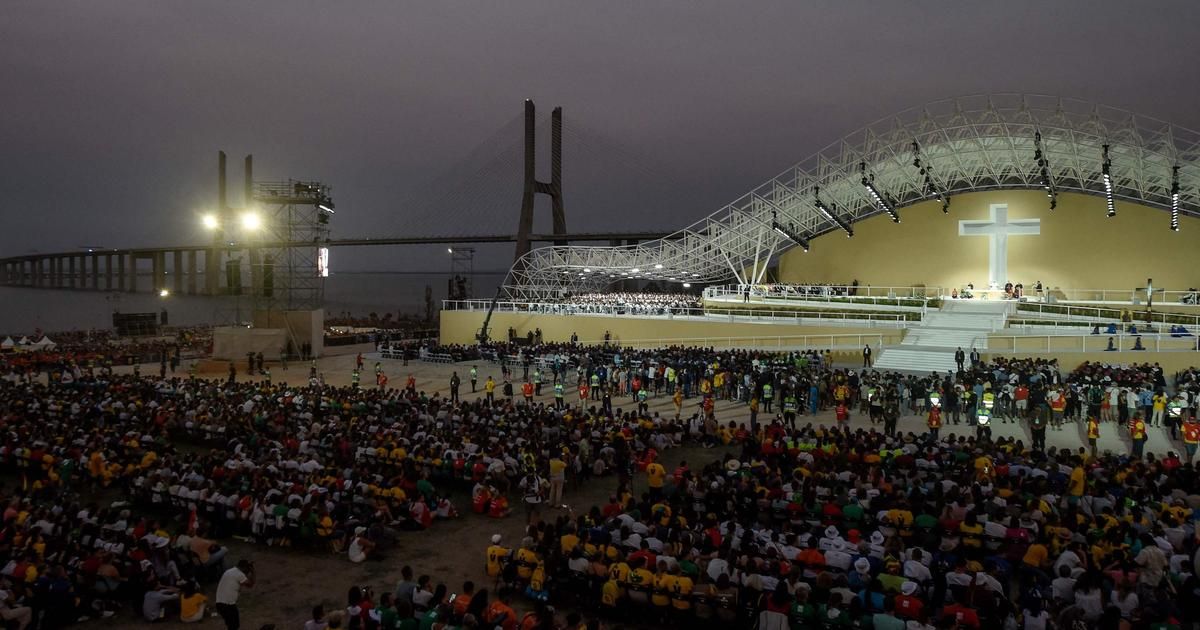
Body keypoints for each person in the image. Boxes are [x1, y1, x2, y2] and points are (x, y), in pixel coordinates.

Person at [215, 559, 255, 630]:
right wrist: (253, 572)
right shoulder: (239, 574)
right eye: (247, 568)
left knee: (233, 626)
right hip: (227, 605)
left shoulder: (230, 571)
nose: (248, 570)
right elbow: (250, 585)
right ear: (244, 568)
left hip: (221, 604)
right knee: (234, 626)